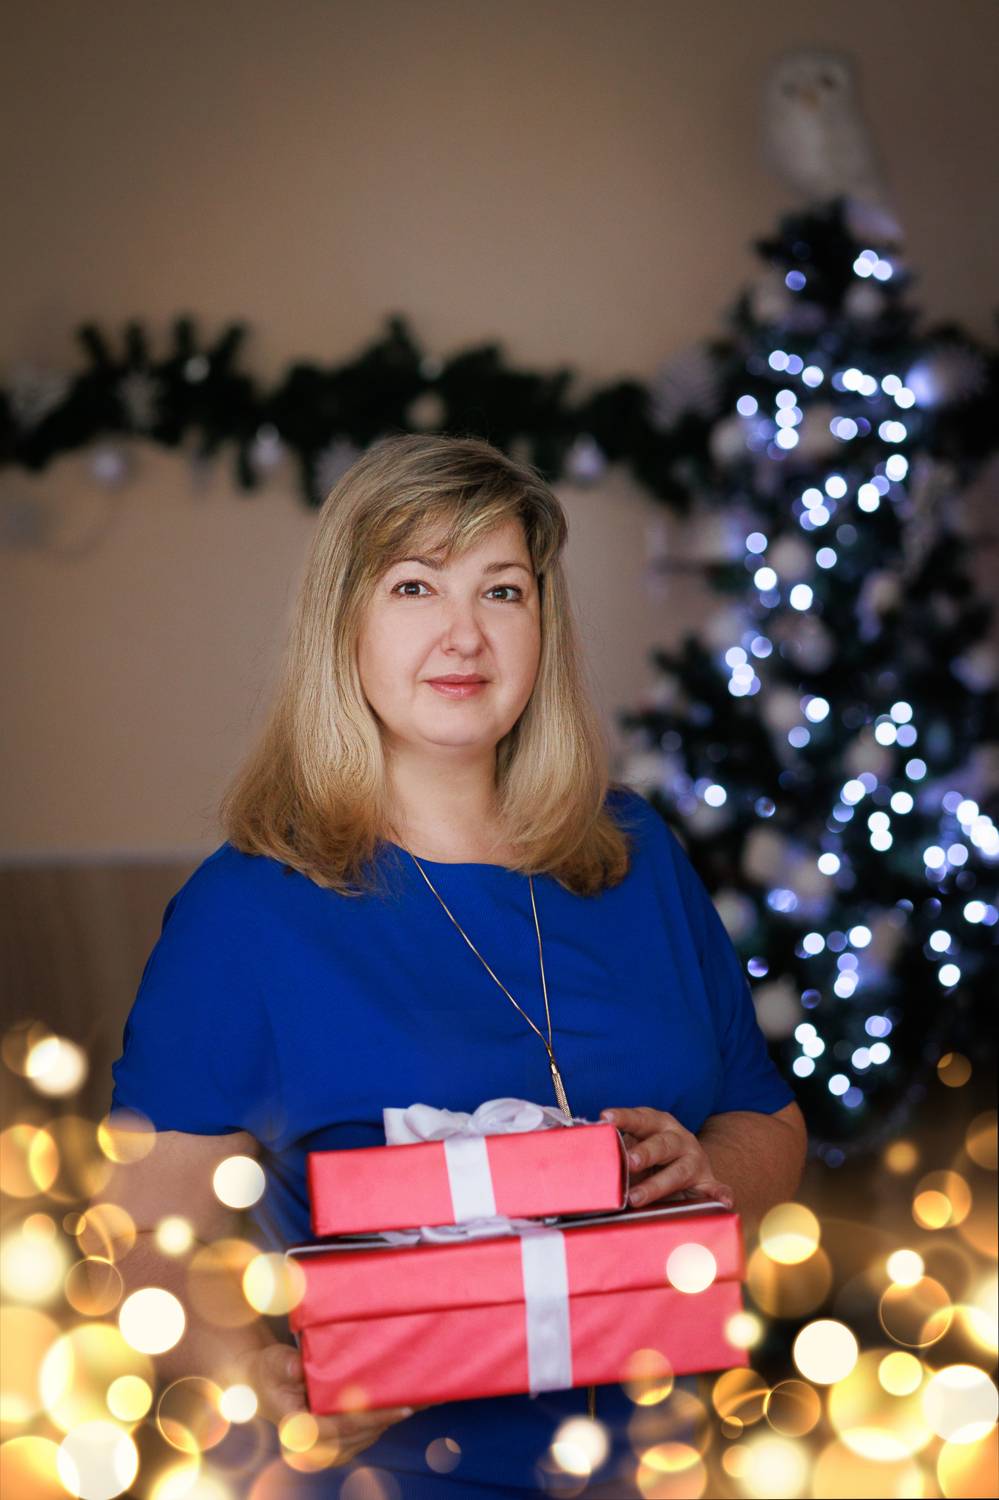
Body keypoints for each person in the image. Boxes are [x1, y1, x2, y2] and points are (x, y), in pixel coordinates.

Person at [102, 432, 806, 1498]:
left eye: (502, 590)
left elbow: (764, 1118)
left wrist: (714, 1180)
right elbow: (142, 1240)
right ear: (345, 621)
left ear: (541, 623)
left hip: (676, 1464)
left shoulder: (636, 854)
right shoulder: (244, 915)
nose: (464, 634)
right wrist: (252, 1378)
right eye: (415, 586)